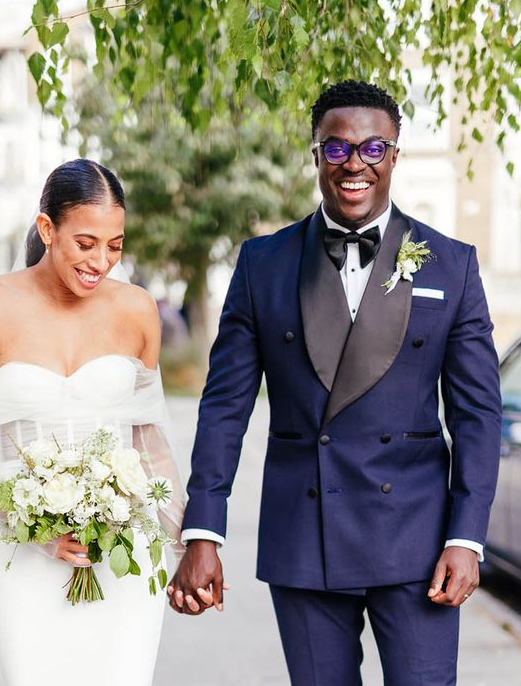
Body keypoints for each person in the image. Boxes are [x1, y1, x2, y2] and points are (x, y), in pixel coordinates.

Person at [169, 81, 501, 685]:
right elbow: (224, 408)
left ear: (395, 156)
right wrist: (203, 530)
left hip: (420, 541)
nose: (355, 165)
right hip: (306, 535)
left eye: (373, 149)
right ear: (315, 153)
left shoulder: (451, 263)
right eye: (337, 148)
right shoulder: (262, 264)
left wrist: (467, 537)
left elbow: (477, 415)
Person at [0, 159, 184, 686]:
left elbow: (148, 439)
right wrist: (28, 520)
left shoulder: (137, 310)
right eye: (86, 243)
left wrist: (187, 543)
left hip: (125, 553)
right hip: (23, 557)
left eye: (115, 245)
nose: (101, 261)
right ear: (47, 229)